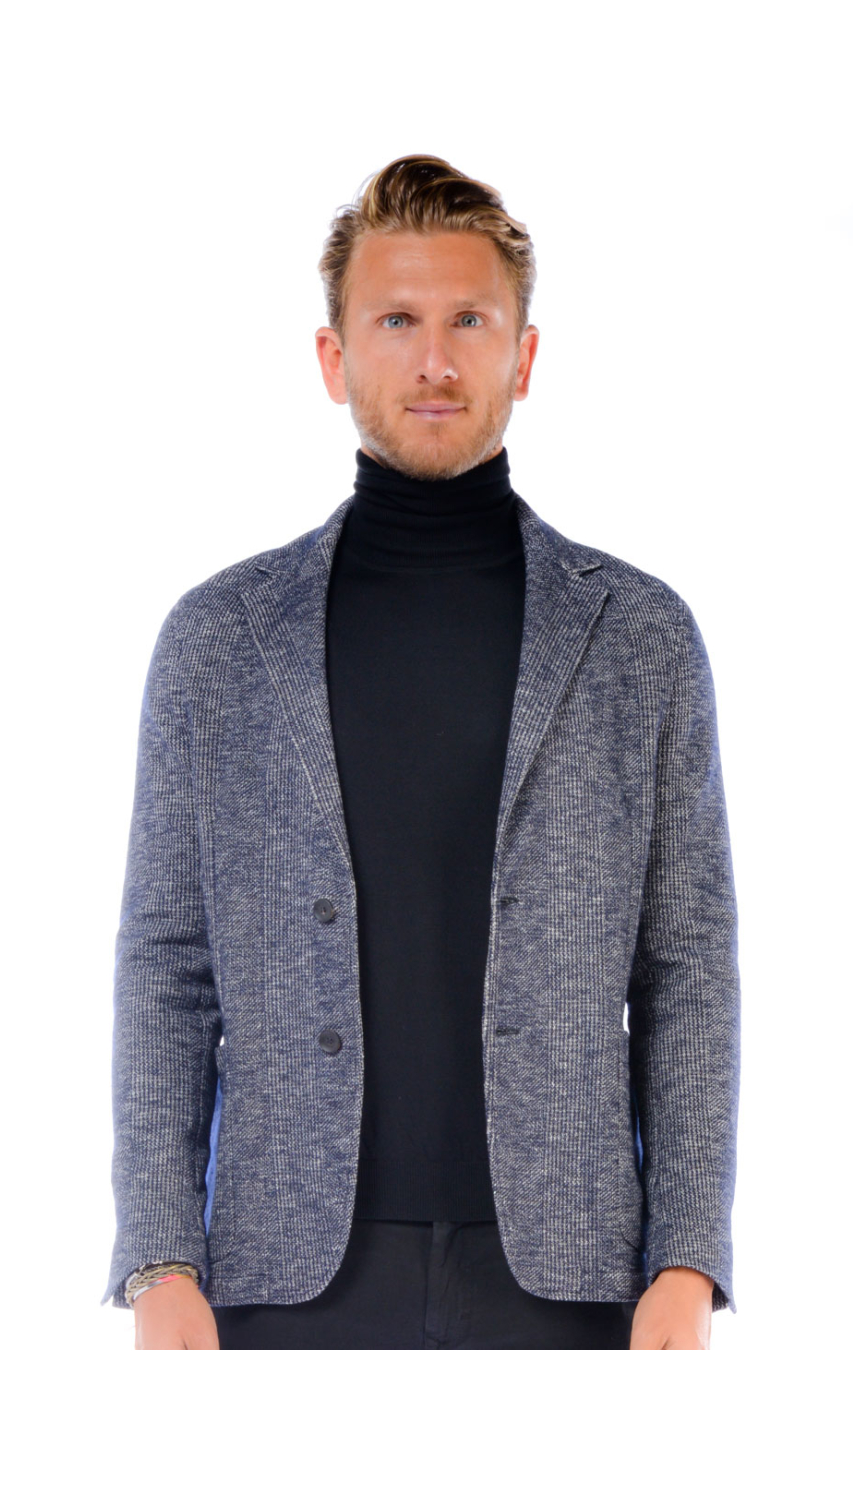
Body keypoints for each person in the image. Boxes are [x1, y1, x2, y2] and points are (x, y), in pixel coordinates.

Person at [102, 153, 740, 1350]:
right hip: (283, 1280)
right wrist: (159, 1258)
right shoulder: (220, 641)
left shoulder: (638, 637)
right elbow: (166, 964)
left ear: (524, 356)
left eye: (469, 322)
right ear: (333, 357)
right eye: (396, 321)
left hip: (574, 1280)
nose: (435, 361)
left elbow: (688, 966)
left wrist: (688, 1260)